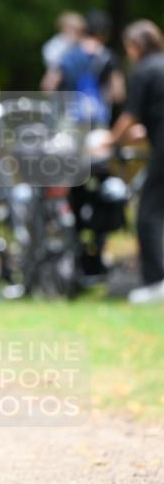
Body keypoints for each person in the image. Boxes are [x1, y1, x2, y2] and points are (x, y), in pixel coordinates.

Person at [102, 20, 164, 304]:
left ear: (136, 46)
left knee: (147, 214)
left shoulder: (143, 71)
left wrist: (110, 141)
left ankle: (155, 282)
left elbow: (130, 115)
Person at [43, 9, 125, 127]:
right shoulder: (109, 57)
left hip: (68, 117)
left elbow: (48, 87)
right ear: (105, 33)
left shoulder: (67, 54)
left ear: (84, 29)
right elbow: (118, 95)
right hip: (96, 120)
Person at [40, 11, 85, 77]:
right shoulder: (56, 43)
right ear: (63, 27)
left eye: (78, 30)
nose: (75, 33)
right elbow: (52, 62)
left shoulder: (82, 43)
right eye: (72, 28)